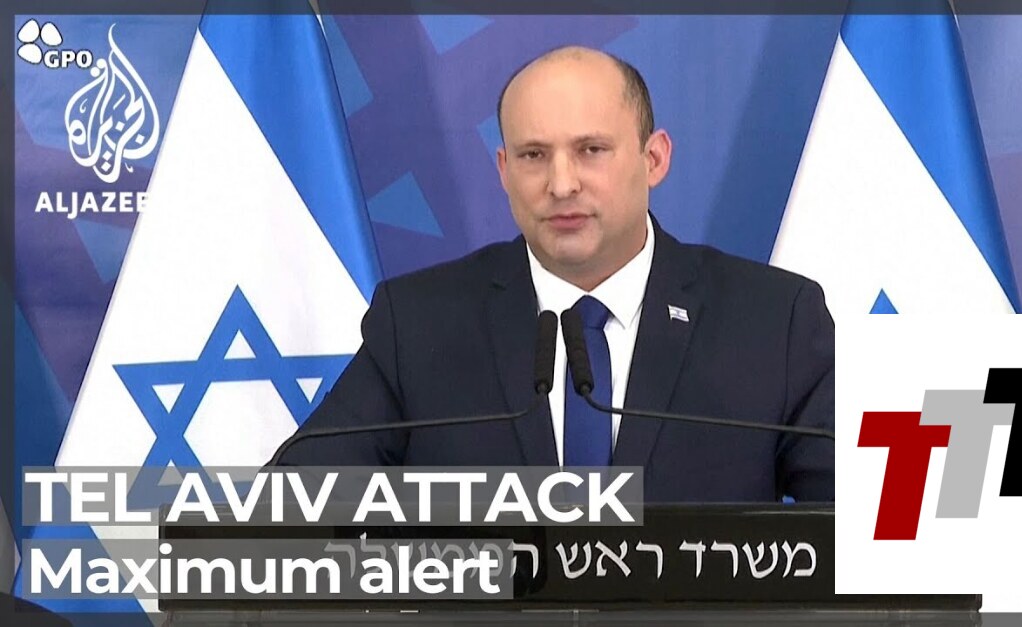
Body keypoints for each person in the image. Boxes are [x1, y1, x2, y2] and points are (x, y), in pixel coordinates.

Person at [273, 46, 834, 502]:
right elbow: (287, 514)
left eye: (591, 150)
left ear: (654, 159)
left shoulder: (772, 321)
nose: (562, 184)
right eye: (534, 156)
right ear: (503, 170)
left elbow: (861, 539)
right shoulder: (420, 324)